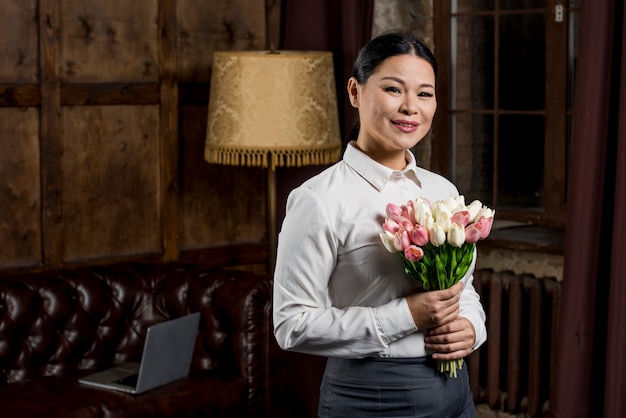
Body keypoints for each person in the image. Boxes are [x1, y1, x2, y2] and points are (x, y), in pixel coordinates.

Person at [272, 31, 487, 418]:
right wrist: (406, 316)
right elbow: (292, 323)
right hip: (370, 395)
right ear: (355, 92)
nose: (410, 107)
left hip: (456, 393)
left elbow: (463, 289)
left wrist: (472, 327)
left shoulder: (442, 190)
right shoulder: (319, 199)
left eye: (424, 94)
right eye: (393, 89)